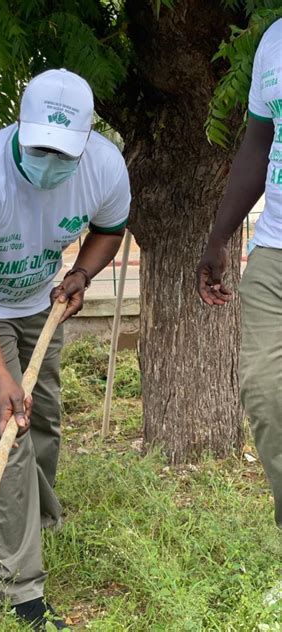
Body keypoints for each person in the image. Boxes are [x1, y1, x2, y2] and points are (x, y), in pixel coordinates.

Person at [0, 68, 131, 629]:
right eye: (39, 146)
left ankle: (39, 516)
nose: (51, 161)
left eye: (65, 151)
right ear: (20, 125)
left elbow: (110, 228)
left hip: (41, 293)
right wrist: (0, 378)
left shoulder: (106, 167)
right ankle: (23, 590)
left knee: (46, 416)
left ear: (87, 140)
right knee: (8, 430)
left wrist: (82, 273)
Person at [196, 19, 282, 526]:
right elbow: (257, 144)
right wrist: (218, 237)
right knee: (265, 392)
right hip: (274, 249)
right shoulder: (273, 40)